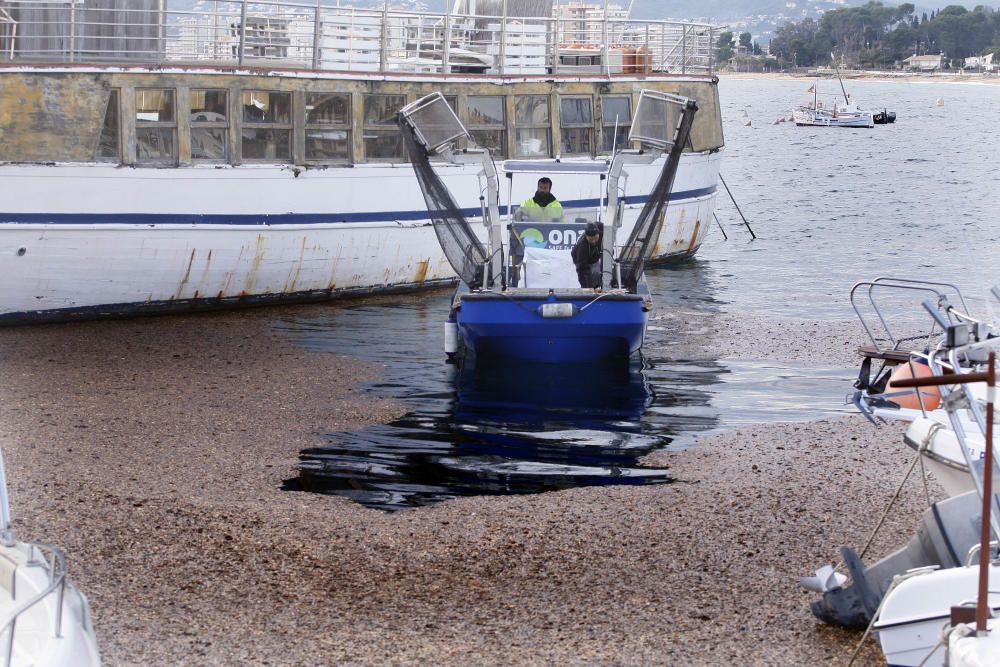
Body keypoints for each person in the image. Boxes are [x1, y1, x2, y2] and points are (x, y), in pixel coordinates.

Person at [571, 222, 602, 288]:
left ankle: (597, 286)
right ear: (586, 236)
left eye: (596, 238)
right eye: (591, 239)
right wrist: (586, 288)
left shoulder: (602, 230)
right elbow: (581, 270)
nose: (593, 241)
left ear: (598, 233)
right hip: (582, 261)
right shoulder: (582, 247)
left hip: (594, 255)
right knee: (588, 282)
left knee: (597, 275)